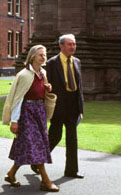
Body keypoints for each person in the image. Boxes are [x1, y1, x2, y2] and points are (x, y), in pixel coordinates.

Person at [2, 45, 59, 192]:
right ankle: (45, 180)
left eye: (44, 54)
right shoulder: (24, 75)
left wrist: (47, 89)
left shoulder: (43, 73)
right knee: (37, 145)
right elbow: (17, 99)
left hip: (39, 113)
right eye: (40, 54)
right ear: (33, 56)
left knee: (27, 145)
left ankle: (11, 173)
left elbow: (40, 92)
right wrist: (14, 121)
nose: (43, 57)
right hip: (26, 113)